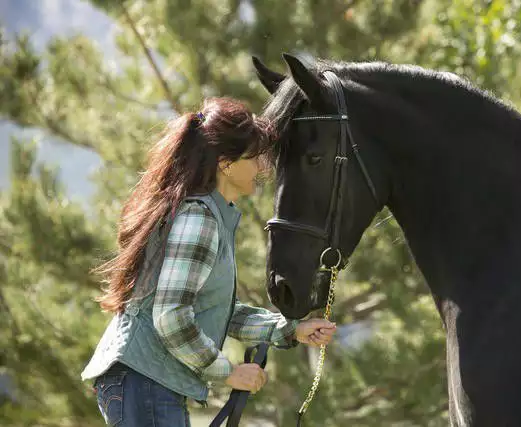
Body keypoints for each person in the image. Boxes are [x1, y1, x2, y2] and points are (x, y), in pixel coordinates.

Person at [81, 97, 337, 427]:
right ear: (226, 163)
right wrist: (228, 372)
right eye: (255, 157)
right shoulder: (199, 219)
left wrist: (291, 329)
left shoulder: (210, 216)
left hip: (145, 383)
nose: (263, 168)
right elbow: (171, 316)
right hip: (144, 382)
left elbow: (214, 309)